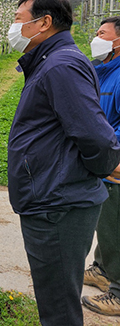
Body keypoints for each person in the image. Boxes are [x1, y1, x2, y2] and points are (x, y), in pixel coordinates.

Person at [7, 0, 120, 326]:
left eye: (18, 20)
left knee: (58, 308)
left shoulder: (61, 65)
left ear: (44, 23)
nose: (13, 28)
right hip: (54, 195)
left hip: (58, 202)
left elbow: (94, 134)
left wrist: (106, 166)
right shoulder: (53, 62)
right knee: (55, 296)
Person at [82, 16, 120, 316]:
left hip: (116, 164)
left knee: (116, 225)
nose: (96, 38)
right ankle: (102, 269)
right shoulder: (103, 71)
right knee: (105, 223)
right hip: (103, 161)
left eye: (102, 33)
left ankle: (118, 292)